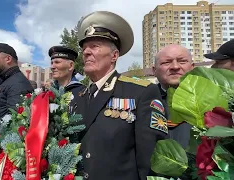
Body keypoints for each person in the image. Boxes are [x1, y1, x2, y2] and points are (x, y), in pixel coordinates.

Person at [77, 11, 167, 180]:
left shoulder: (141, 91)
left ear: (114, 56)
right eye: (84, 48)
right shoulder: (79, 95)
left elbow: (152, 159)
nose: (86, 52)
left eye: (95, 46)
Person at [153, 44, 194, 149]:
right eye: (166, 62)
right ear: (154, 70)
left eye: (182, 61)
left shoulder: (210, 99)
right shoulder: (143, 100)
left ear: (192, 67)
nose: (175, 67)